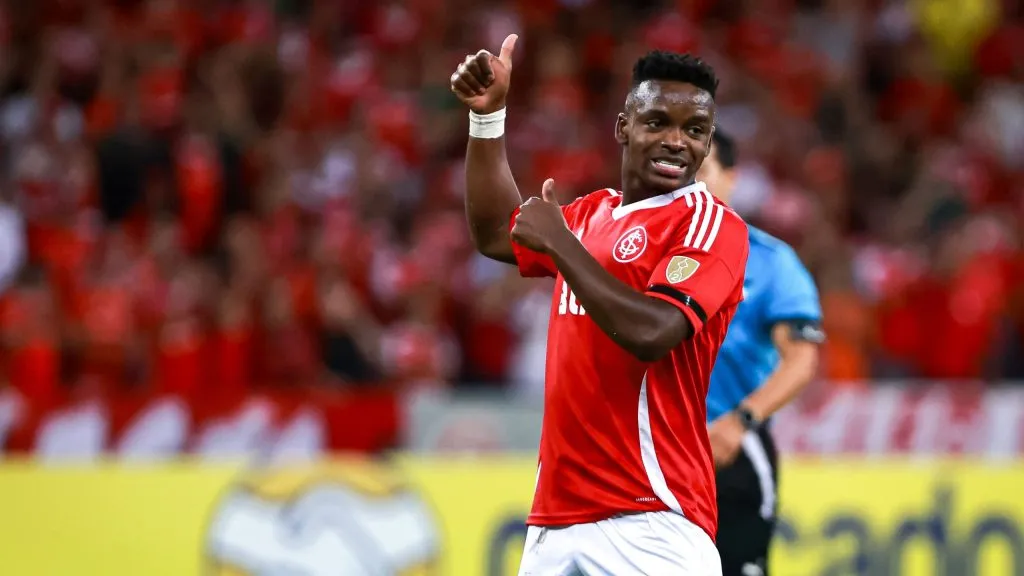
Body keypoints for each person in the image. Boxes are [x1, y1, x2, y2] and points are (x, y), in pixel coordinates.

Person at [451, 35, 749, 575]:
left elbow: (655, 330)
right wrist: (488, 119)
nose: (677, 142)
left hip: (651, 520)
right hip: (554, 520)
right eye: (658, 122)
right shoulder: (592, 214)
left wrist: (561, 246)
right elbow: (496, 232)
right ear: (623, 127)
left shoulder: (708, 225)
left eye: (695, 131)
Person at [697, 131, 824, 576]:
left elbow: (802, 360)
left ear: (730, 179)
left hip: (728, 452)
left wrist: (741, 421)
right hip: (652, 449)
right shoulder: (643, 252)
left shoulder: (771, 262)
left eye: (703, 170)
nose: (690, 184)